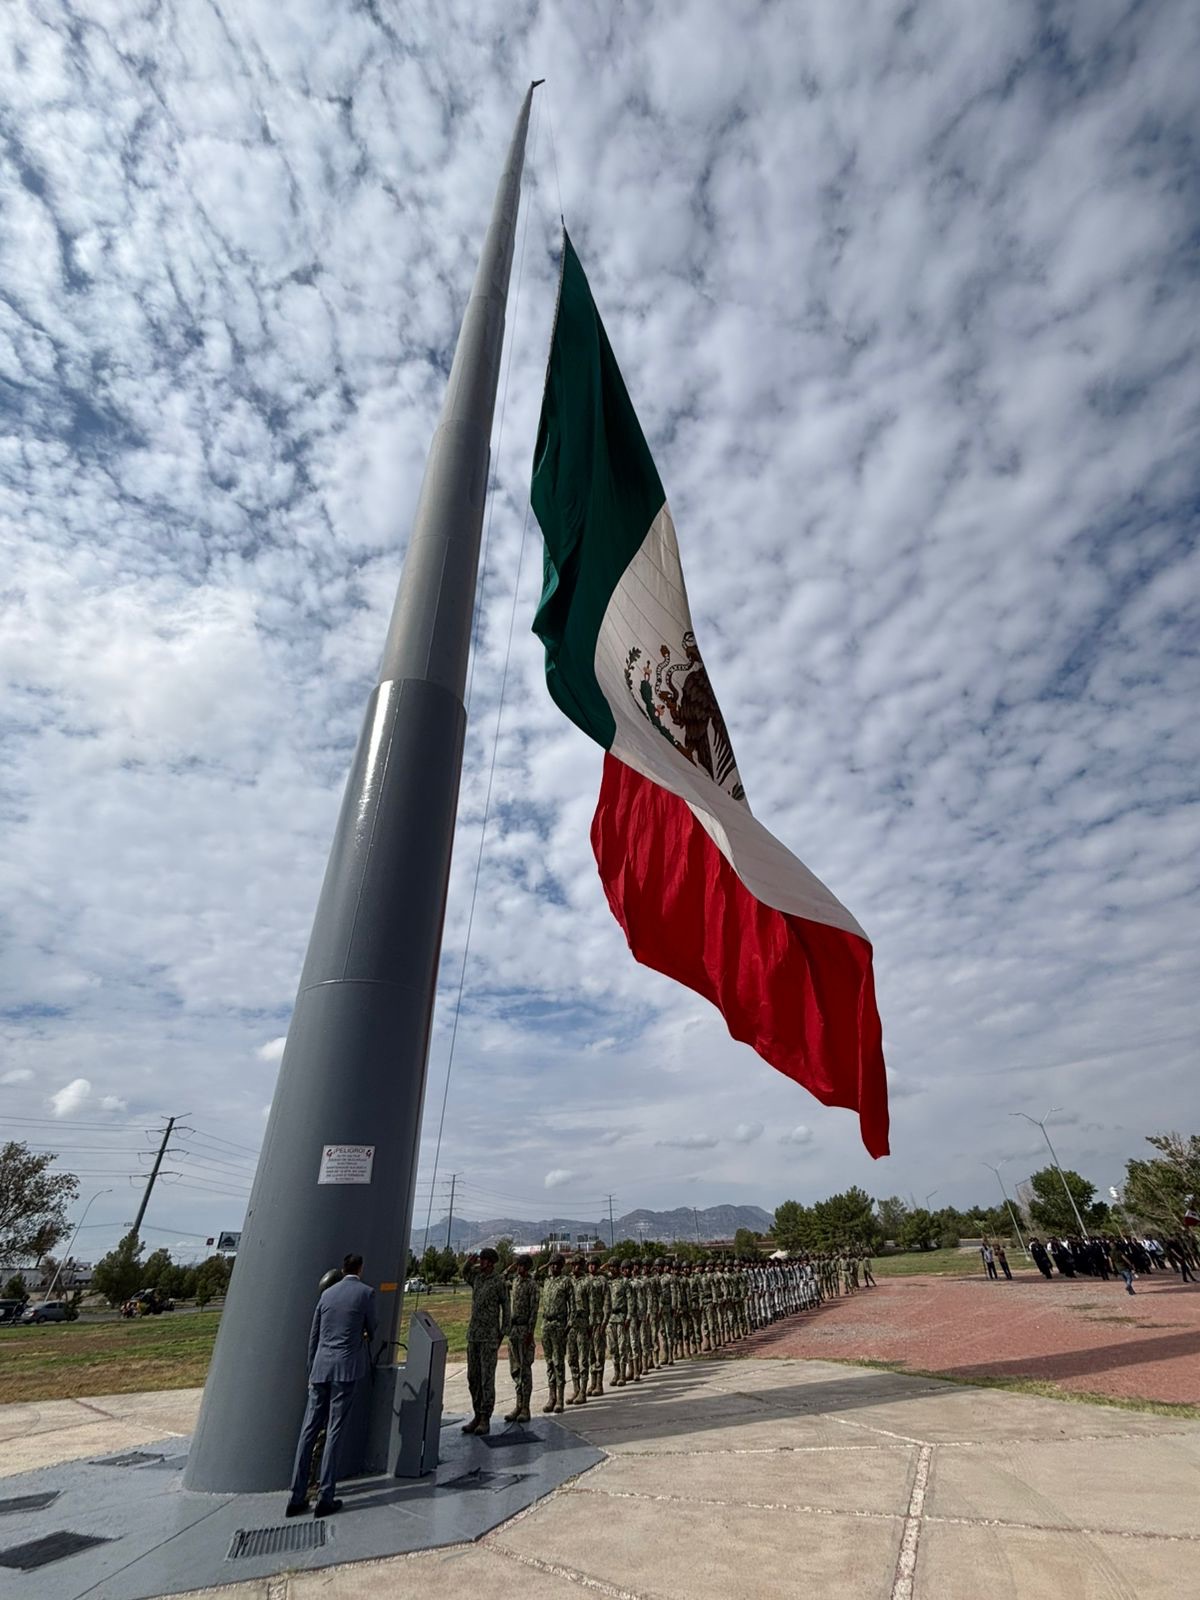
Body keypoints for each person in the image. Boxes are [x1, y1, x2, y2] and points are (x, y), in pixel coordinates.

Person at [285, 1252, 376, 1519]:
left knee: (308, 1431)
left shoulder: (325, 1296)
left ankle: (296, 1496)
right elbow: (373, 1326)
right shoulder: (366, 1293)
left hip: (320, 1370)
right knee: (334, 1432)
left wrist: (311, 1371)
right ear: (360, 1268)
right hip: (345, 1371)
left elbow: (314, 1335)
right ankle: (326, 1496)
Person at [462, 1247, 510, 1436]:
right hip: (474, 1336)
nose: (480, 1263)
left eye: (482, 1260)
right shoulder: (478, 1278)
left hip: (489, 1336)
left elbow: (506, 1307)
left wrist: (502, 1332)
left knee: (486, 1379)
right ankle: (476, 1414)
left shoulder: (499, 1282)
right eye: (479, 1260)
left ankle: (485, 1418)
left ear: (490, 1262)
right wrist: (468, 1262)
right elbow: (465, 1273)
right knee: (473, 1378)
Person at [503, 1257, 539, 1424]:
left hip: (525, 1329)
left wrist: (530, 1333)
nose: (519, 1269)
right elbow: (501, 1280)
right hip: (514, 1330)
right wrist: (508, 1269)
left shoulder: (532, 1285)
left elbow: (534, 1310)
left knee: (525, 1370)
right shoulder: (515, 1282)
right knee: (515, 1369)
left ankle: (525, 1407)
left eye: (523, 1266)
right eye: (518, 1265)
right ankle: (518, 1405)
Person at [538, 1253, 571, 1412]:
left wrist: (568, 1325)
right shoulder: (546, 1281)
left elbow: (572, 1306)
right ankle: (551, 1397)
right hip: (546, 1324)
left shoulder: (566, 1282)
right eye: (553, 1264)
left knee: (558, 1362)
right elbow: (534, 1274)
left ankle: (560, 1399)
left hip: (559, 1324)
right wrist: (545, 1264)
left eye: (558, 1264)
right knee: (549, 1362)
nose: (555, 1267)